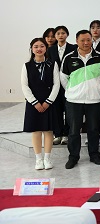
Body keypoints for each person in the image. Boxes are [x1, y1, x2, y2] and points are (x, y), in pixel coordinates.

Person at [61, 30, 100, 169]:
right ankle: (73, 157)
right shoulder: (69, 58)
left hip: (94, 100)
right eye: (82, 40)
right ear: (77, 41)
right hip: (74, 101)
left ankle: (94, 154)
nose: (86, 43)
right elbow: (64, 78)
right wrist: (73, 91)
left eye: (88, 40)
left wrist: (97, 89)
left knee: (93, 129)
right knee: (73, 131)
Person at [22, 38, 60, 170]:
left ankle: (47, 159)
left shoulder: (52, 64)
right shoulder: (26, 66)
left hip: (48, 102)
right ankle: (38, 159)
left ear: (46, 48)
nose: (39, 49)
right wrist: (35, 102)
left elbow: (56, 84)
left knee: (48, 131)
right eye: (36, 46)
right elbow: (25, 86)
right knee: (36, 131)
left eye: (42, 46)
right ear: (32, 49)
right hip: (33, 103)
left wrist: (48, 101)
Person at [48, 25, 76, 146]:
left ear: (67, 35)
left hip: (69, 83)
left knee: (69, 110)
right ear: (55, 36)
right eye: (58, 33)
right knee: (56, 110)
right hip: (55, 85)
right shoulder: (51, 50)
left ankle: (67, 134)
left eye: (63, 33)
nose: (60, 35)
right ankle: (58, 134)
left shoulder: (73, 48)